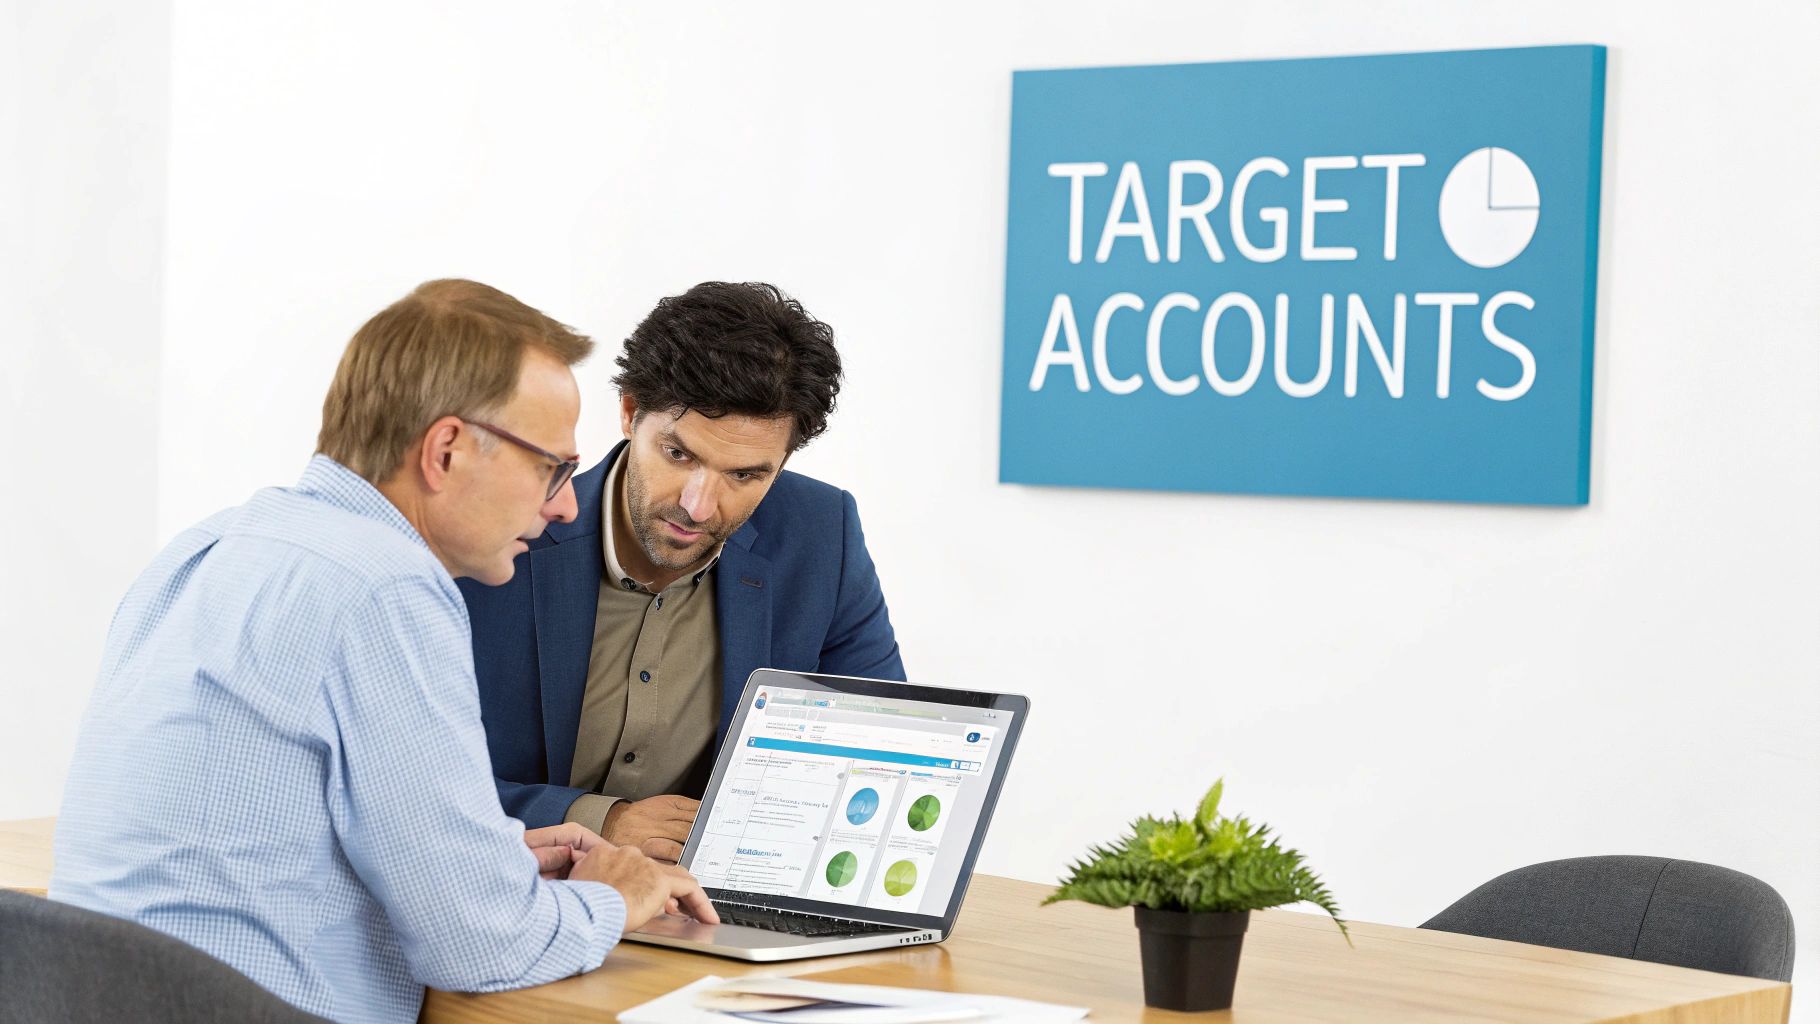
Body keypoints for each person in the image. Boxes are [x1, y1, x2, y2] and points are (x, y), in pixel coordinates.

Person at [50, 279, 717, 1024]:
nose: (564, 505)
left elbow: (247, 849)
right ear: (446, 450)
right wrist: (613, 898)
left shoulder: (212, 545)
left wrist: (482, 865)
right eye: (550, 469)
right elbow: (479, 947)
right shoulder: (387, 586)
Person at [461, 281, 905, 861]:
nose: (698, 505)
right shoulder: (497, 533)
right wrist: (599, 821)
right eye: (679, 455)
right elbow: (401, 779)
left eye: (745, 475)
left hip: (702, 911)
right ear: (628, 412)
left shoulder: (822, 533)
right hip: (513, 897)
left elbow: (881, 755)